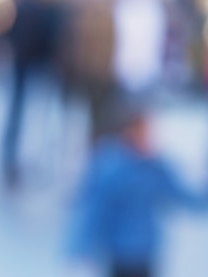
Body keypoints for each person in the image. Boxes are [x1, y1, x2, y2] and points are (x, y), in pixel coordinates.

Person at [66, 101, 208, 277]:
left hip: (146, 253)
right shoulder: (110, 167)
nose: (147, 136)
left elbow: (184, 196)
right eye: (141, 130)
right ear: (128, 132)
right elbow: (94, 209)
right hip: (120, 255)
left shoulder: (156, 167)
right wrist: (79, 246)